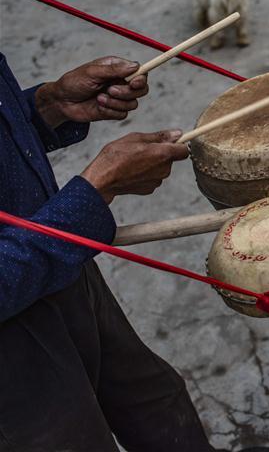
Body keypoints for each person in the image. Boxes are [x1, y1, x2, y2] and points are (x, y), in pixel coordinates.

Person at [0, 53, 216, 451]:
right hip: (12, 337)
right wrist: (93, 194)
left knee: (156, 403)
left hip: (60, 258)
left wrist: (48, 106)